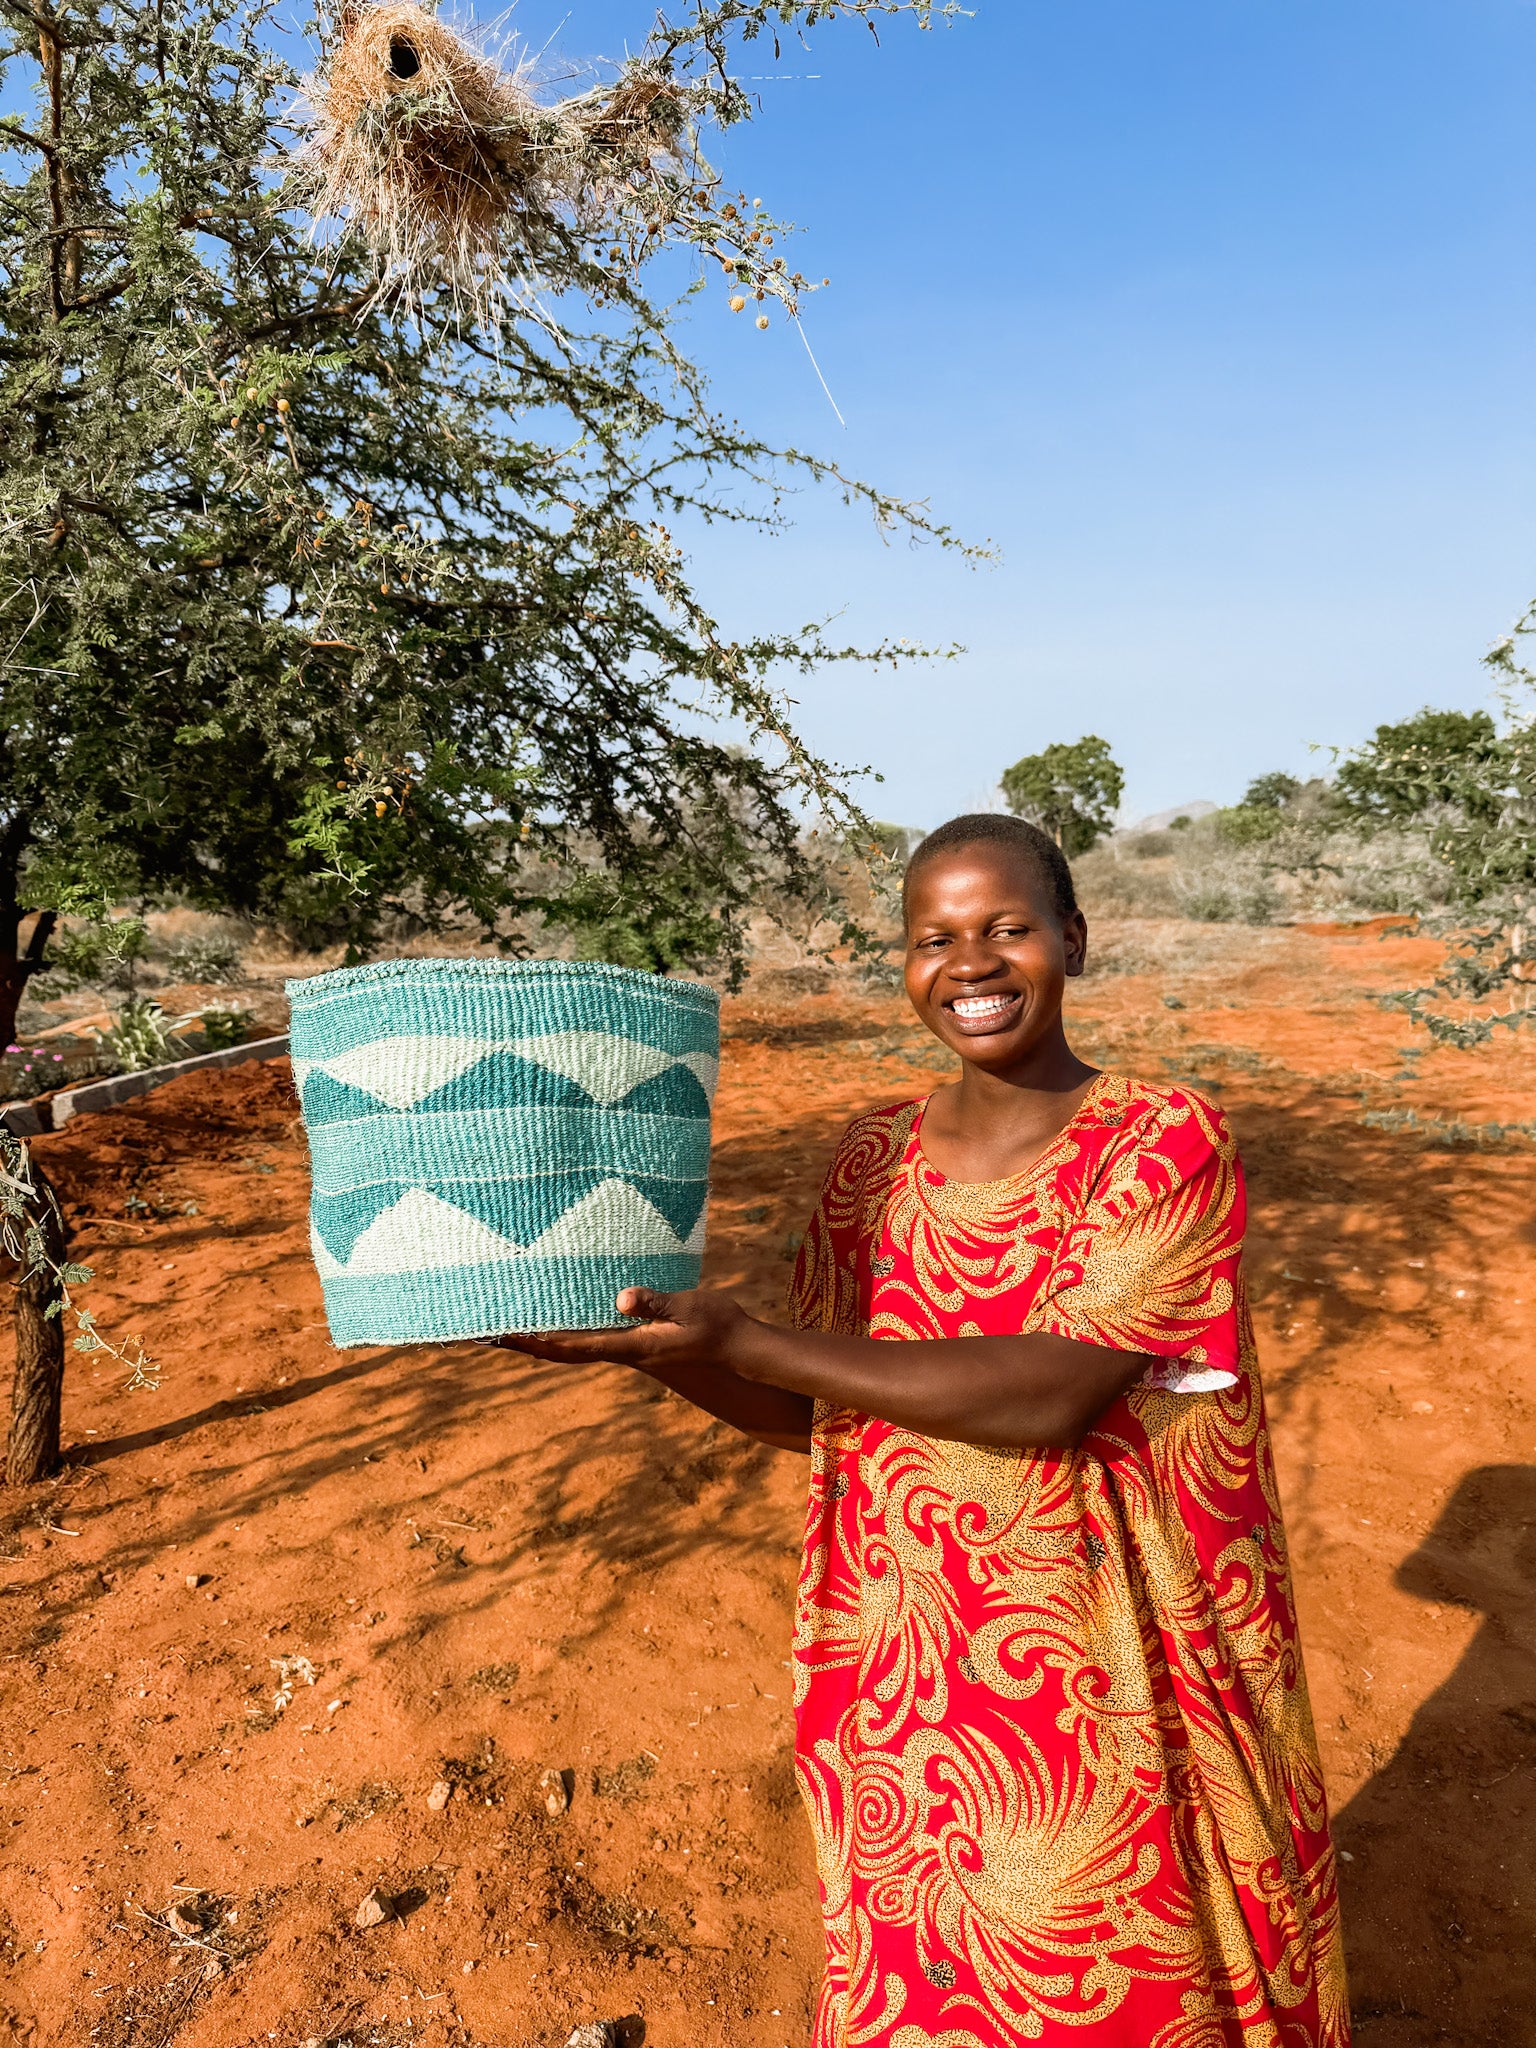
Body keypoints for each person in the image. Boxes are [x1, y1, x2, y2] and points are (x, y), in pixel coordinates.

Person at [505, 813, 1350, 2048]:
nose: (972, 963)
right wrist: (656, 1355)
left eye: (1007, 927)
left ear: (1072, 937)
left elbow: (1051, 1387)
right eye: (934, 937)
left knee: (1128, 1953)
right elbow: (826, 1406)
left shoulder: (1162, 1138)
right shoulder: (869, 1158)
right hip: (914, 1639)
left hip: (1117, 1645)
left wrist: (738, 1335)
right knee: (933, 1951)